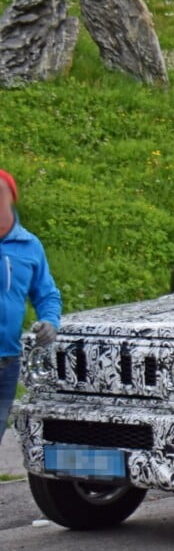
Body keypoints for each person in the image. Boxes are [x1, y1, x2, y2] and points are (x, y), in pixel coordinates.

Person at [0, 169, 61, 445]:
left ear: (12, 197)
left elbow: (47, 295)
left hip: (8, 362)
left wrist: (50, 321)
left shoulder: (29, 246)